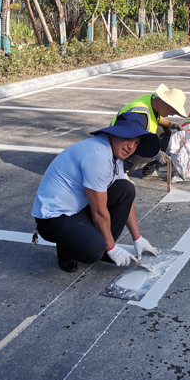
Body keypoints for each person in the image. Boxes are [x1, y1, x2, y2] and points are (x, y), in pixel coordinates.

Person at [32, 112, 161, 273]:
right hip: (54, 218)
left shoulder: (114, 155)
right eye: (128, 138)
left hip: (77, 209)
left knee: (126, 189)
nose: (131, 147)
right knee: (93, 250)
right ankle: (67, 251)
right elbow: (99, 211)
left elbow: (125, 198)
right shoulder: (98, 156)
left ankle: (105, 248)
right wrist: (112, 247)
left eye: (136, 142)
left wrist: (137, 238)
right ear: (115, 133)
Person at [112, 83, 187, 177]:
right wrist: (155, 153)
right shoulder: (140, 114)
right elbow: (130, 140)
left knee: (165, 132)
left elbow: (154, 118)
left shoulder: (153, 101)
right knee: (146, 151)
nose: (173, 114)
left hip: (133, 133)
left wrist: (170, 124)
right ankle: (121, 170)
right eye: (174, 111)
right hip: (120, 140)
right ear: (166, 104)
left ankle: (149, 171)